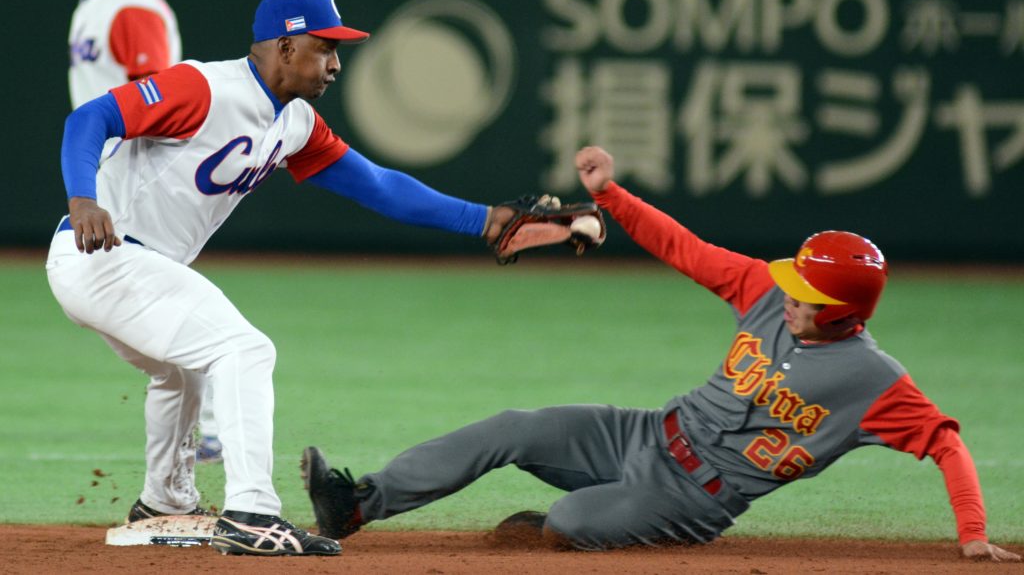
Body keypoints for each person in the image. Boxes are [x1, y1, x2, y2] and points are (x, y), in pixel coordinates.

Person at [300, 145, 1022, 563]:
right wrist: (610, 194)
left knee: (575, 523)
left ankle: (571, 520)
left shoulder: (875, 381)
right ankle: (356, 504)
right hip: (645, 430)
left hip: (693, 496)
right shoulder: (765, 289)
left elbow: (947, 443)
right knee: (514, 426)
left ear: (845, 312)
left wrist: (973, 535)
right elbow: (685, 248)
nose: (791, 294)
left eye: (808, 293)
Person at [45, 0, 522, 557]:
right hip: (103, 253)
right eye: (326, 48)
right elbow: (90, 118)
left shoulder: (296, 123)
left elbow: (378, 185)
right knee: (244, 349)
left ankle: (163, 506)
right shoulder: (205, 86)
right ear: (286, 47)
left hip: (133, 266)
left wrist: (487, 221)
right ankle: (252, 512)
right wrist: (82, 199)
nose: (336, 63)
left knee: (180, 372)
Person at [50, 0, 222, 464]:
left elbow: (152, 96)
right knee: (144, 300)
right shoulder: (98, 2)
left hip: (139, 177)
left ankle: (214, 422)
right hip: (117, 174)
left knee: (156, 296)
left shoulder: (128, 4)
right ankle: (202, 419)